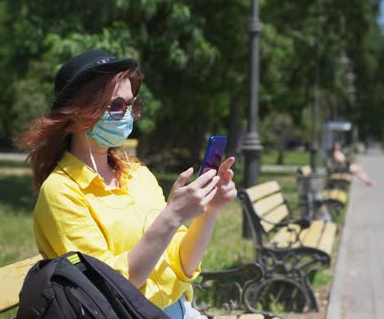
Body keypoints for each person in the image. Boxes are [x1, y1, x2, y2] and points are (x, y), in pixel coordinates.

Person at [17, 50, 237, 318]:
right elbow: (109, 290)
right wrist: (173, 215)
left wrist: (210, 210)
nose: (129, 115)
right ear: (76, 113)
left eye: (132, 105)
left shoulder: (137, 174)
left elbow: (183, 265)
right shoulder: (61, 191)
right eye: (116, 105)